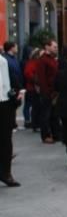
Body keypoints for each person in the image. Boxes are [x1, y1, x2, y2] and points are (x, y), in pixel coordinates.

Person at [0, 48, 20, 186]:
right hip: (4, 102)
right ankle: (5, 173)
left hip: (3, 103)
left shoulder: (3, 61)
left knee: (5, 140)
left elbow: (7, 84)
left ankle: (5, 173)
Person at [35, 39, 59, 143]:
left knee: (54, 114)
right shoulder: (43, 60)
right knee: (46, 114)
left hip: (53, 91)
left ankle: (56, 134)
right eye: (54, 47)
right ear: (47, 47)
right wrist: (45, 92)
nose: (56, 49)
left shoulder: (52, 59)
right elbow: (42, 78)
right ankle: (45, 135)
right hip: (47, 92)